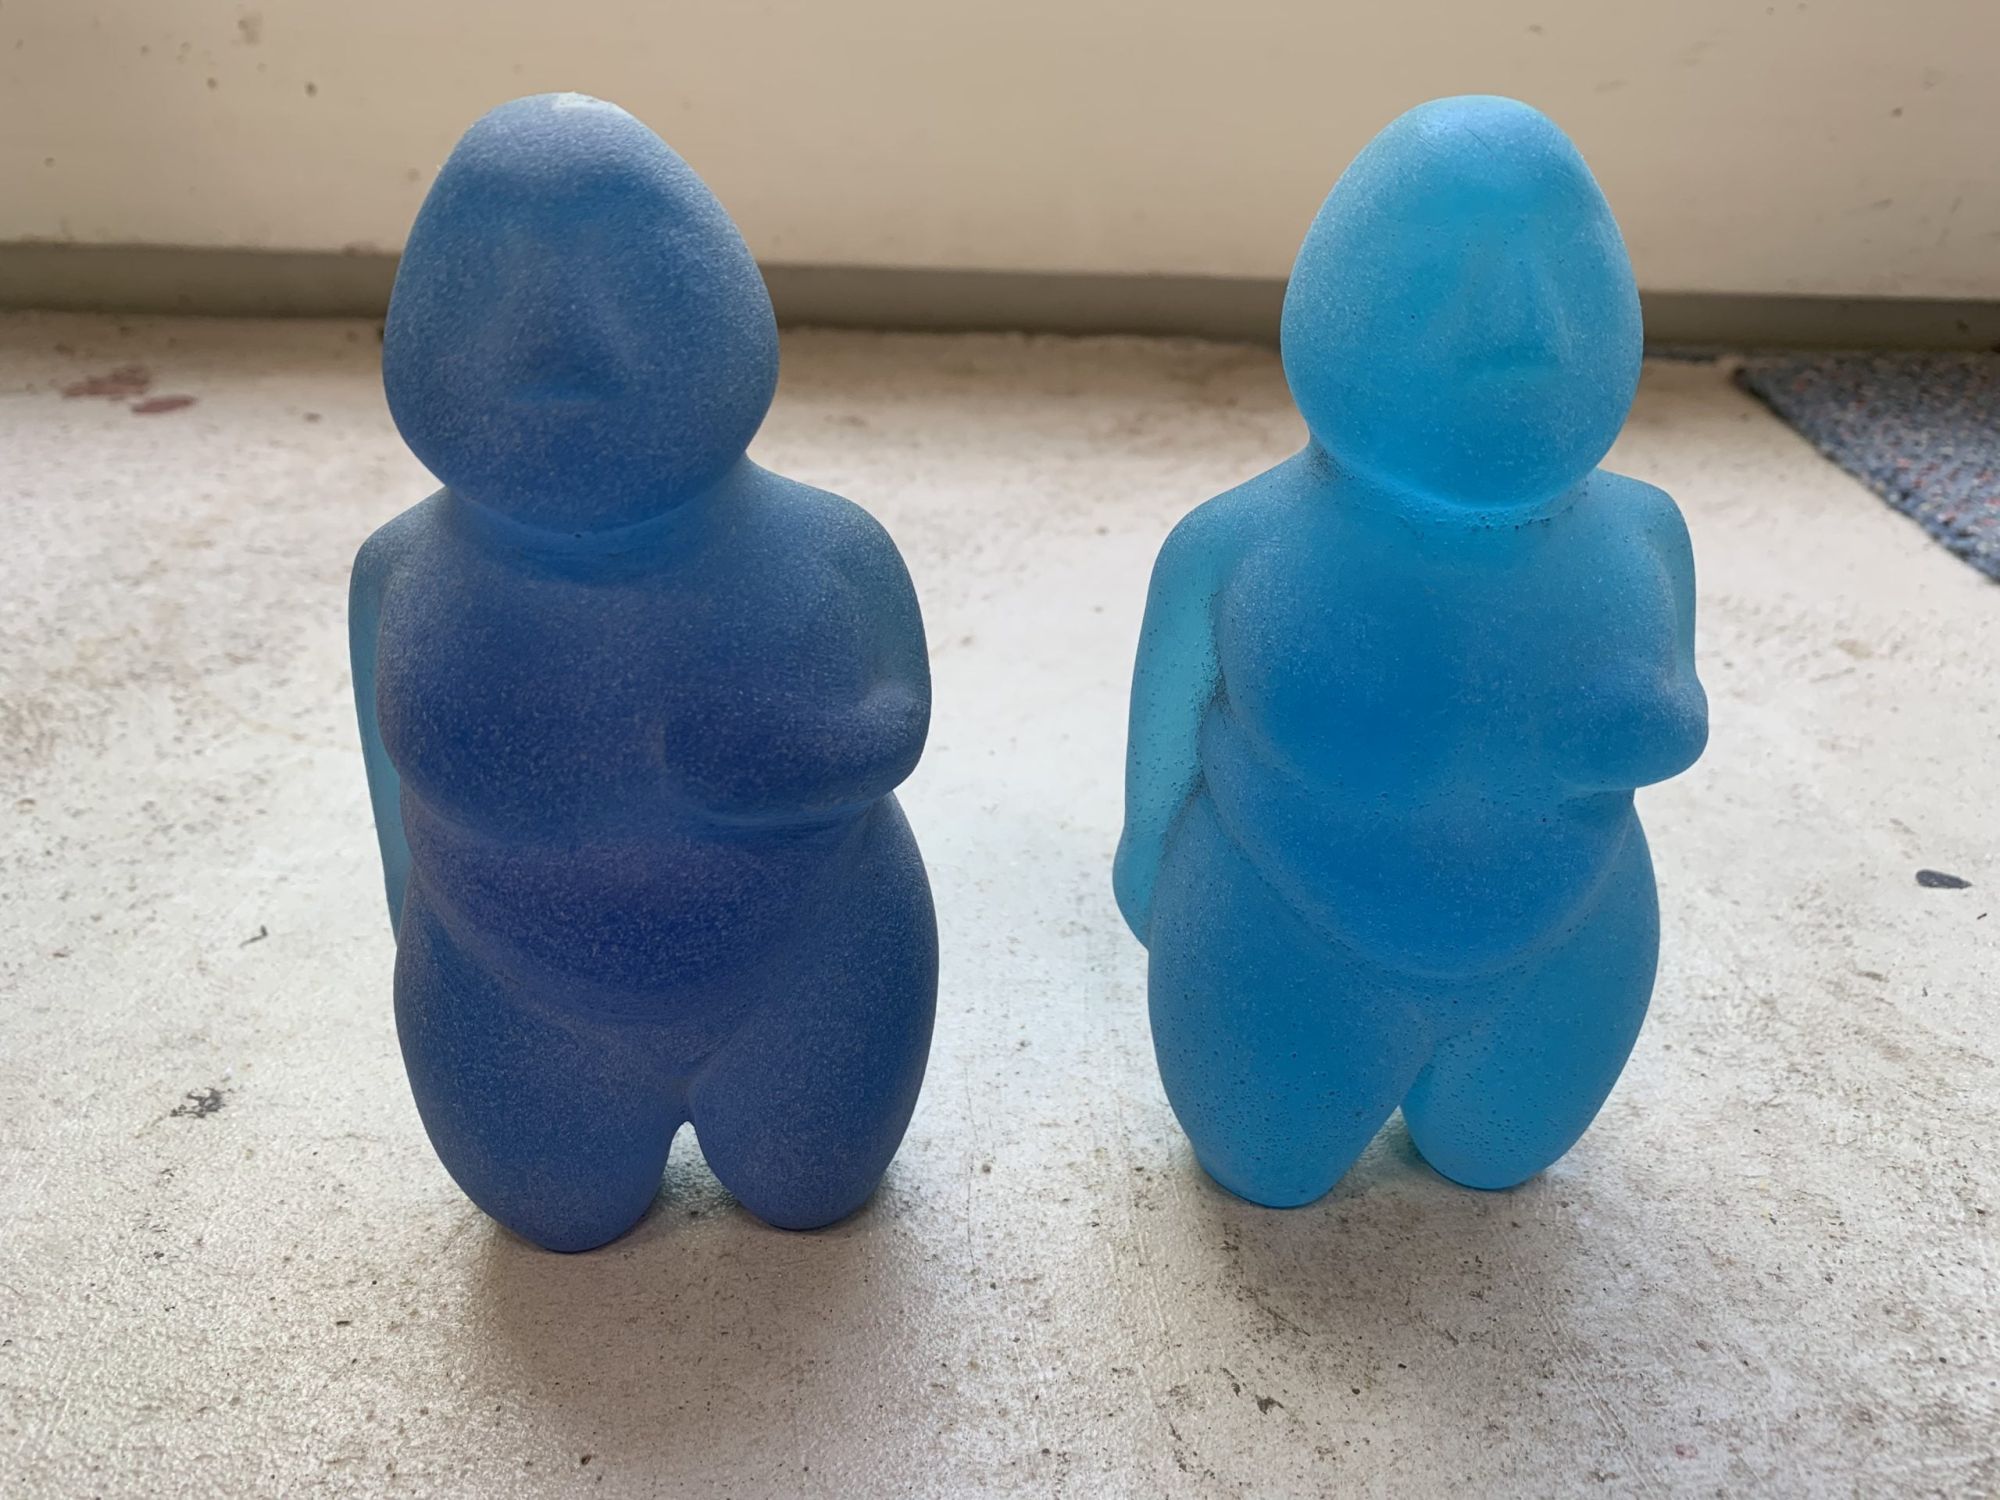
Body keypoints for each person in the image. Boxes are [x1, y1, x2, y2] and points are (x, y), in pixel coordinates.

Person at [351, 94, 937, 1251]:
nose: (555, 348)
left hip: (810, 967)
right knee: (552, 1214)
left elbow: (900, 722)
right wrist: (407, 911)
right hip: (502, 992)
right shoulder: (400, 574)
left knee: (814, 1185)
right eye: (487, 280)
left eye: (630, 274)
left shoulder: (831, 549)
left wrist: (789, 760)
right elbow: (389, 787)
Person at [1115, 95, 1708, 1208]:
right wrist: (1147, 867)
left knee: (1499, 1154)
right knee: (1262, 1166)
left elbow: (1675, 709)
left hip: (1567, 944)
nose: (1522, 328)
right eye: (1443, 281)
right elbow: (1164, 747)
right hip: (1277, 937)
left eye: (1569, 274)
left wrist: (1634, 726)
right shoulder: (1237, 548)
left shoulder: (1644, 537)